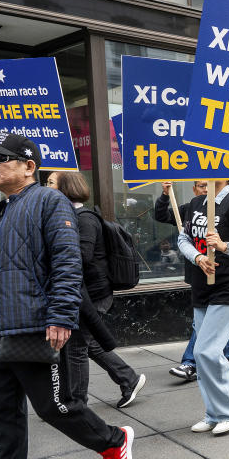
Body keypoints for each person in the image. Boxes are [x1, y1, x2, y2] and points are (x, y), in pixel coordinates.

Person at [0, 133, 133, 459]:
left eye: (1, 157)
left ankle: (113, 441)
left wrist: (60, 317)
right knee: (0, 411)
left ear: (29, 167)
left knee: (56, 407)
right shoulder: (4, 209)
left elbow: (68, 263)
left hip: (30, 328)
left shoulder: (49, 201)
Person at [46, 171, 146, 408]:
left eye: (50, 182)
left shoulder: (84, 219)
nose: (45, 186)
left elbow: (80, 257)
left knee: (77, 348)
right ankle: (128, 378)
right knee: (87, 344)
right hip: (84, 294)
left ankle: (77, 404)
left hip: (93, 295)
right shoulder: (71, 215)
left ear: (65, 188)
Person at [177, 179, 229, 436]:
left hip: (227, 287)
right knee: (202, 355)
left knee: (207, 351)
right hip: (201, 286)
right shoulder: (197, 203)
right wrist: (198, 257)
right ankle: (213, 413)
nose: (201, 178)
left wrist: (223, 246)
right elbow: (183, 239)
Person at [155, 180, 229, 381]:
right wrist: (165, 195)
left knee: (201, 324)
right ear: (194, 189)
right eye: (201, 186)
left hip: (221, 277)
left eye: (207, 185)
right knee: (210, 322)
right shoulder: (191, 207)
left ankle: (190, 363)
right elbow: (161, 215)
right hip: (197, 274)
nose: (205, 189)